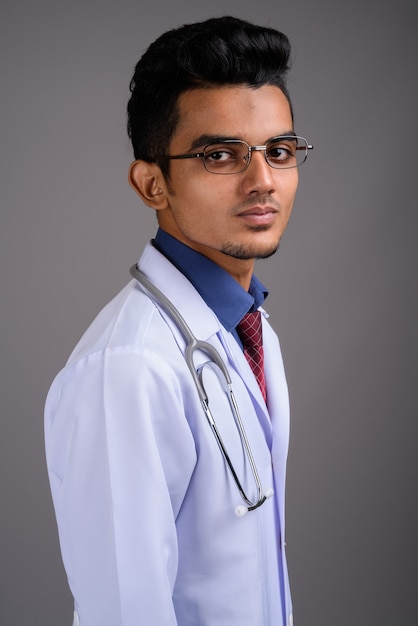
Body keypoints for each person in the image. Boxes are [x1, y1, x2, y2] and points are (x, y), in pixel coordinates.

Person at [44, 15, 312, 626]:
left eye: (280, 151)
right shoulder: (127, 370)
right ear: (151, 183)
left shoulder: (252, 331)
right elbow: (124, 611)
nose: (263, 180)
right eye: (220, 154)